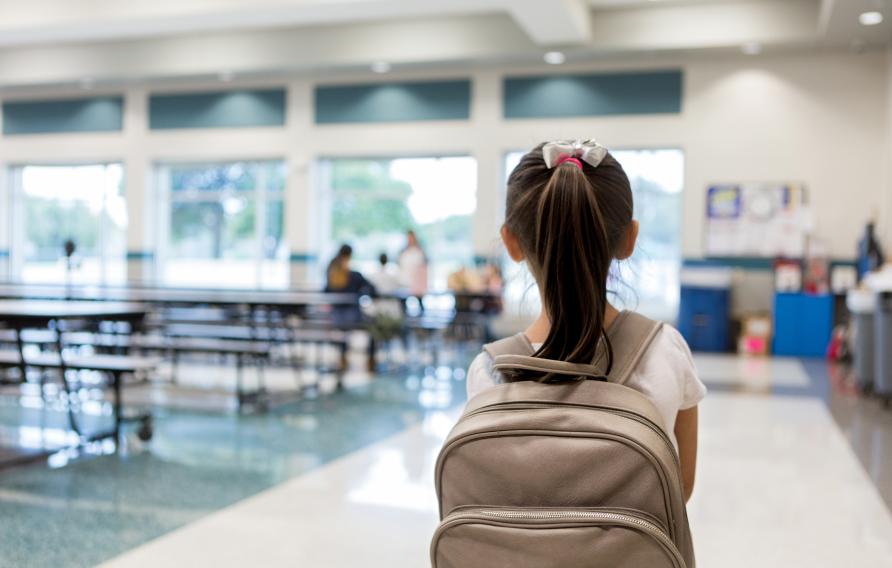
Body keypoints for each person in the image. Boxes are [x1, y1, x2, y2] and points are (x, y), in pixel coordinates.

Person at [465, 140, 706, 502]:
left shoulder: (488, 372)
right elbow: (679, 490)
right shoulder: (664, 350)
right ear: (629, 239)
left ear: (510, 243)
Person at [398, 230, 428, 296]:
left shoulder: (420, 251)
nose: (410, 239)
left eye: (411, 237)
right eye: (408, 238)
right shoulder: (403, 252)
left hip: (418, 283)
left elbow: (424, 267)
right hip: (404, 282)